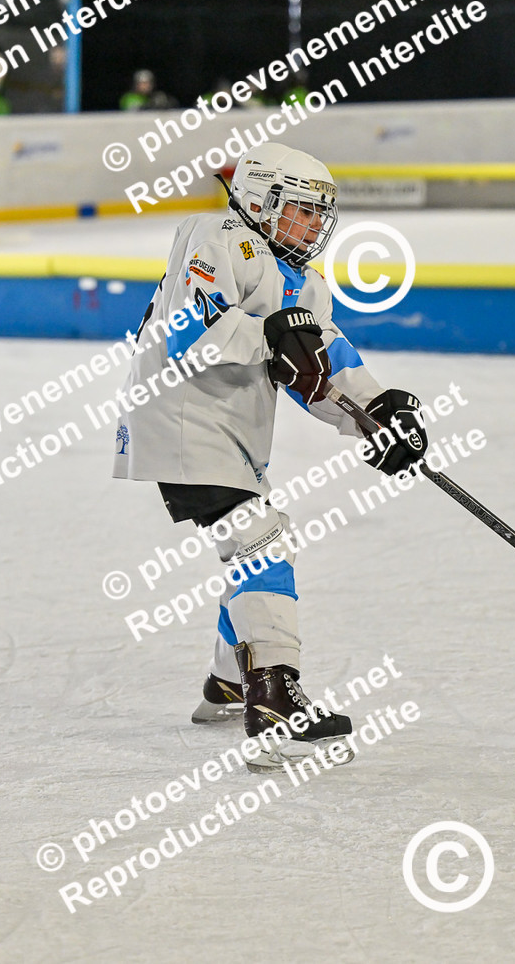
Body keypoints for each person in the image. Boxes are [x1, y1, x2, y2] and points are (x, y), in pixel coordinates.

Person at [111, 142, 428, 772]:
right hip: (179, 419)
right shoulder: (214, 237)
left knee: (253, 546)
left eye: (319, 215)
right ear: (261, 200)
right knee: (261, 543)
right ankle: (274, 704)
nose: (313, 226)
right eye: (302, 211)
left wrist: (376, 415)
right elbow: (190, 332)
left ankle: (230, 682)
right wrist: (272, 334)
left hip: (229, 432)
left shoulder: (305, 283)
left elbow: (321, 361)